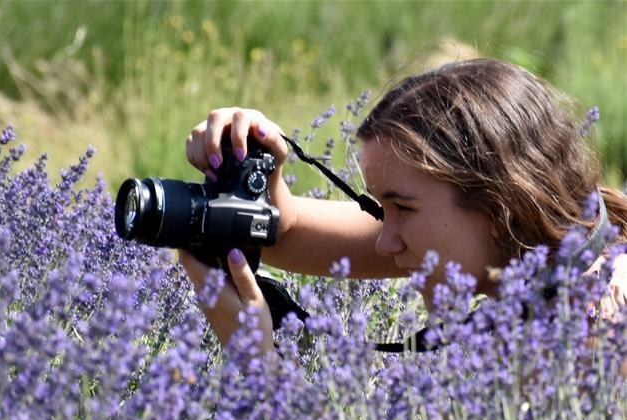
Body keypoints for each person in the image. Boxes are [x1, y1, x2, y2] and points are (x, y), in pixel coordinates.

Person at [178, 58, 627, 357]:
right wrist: (256, 166)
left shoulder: (603, 337)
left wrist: (261, 371)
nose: (385, 239)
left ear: (498, 207)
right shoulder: (522, 252)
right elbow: (281, 232)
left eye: (403, 208)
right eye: (380, 209)